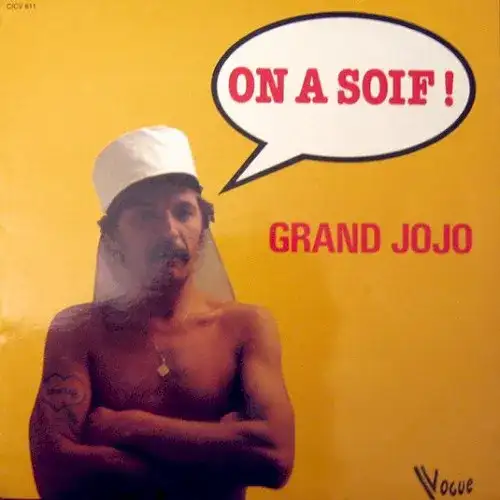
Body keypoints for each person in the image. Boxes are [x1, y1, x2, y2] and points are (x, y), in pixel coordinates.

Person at [28, 126, 295, 500]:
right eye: (145, 217)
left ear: (203, 226)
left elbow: (274, 458)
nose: (170, 231)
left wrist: (129, 427)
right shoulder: (77, 332)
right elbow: (56, 475)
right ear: (114, 239)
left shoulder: (246, 327)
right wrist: (220, 452)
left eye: (184, 212)